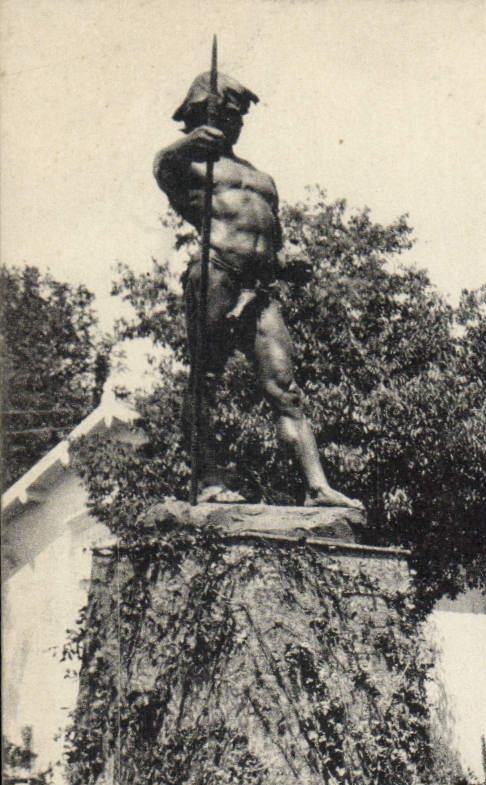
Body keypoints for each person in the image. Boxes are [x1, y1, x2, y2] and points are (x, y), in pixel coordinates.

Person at [154, 72, 361, 509]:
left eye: (241, 116)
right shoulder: (191, 166)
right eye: (230, 114)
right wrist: (188, 144)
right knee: (205, 378)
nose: (239, 123)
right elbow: (161, 166)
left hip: (258, 288)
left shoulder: (260, 178)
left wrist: (289, 263)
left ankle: (317, 488)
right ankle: (208, 481)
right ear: (205, 114)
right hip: (217, 273)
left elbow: (274, 244)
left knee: (286, 388)